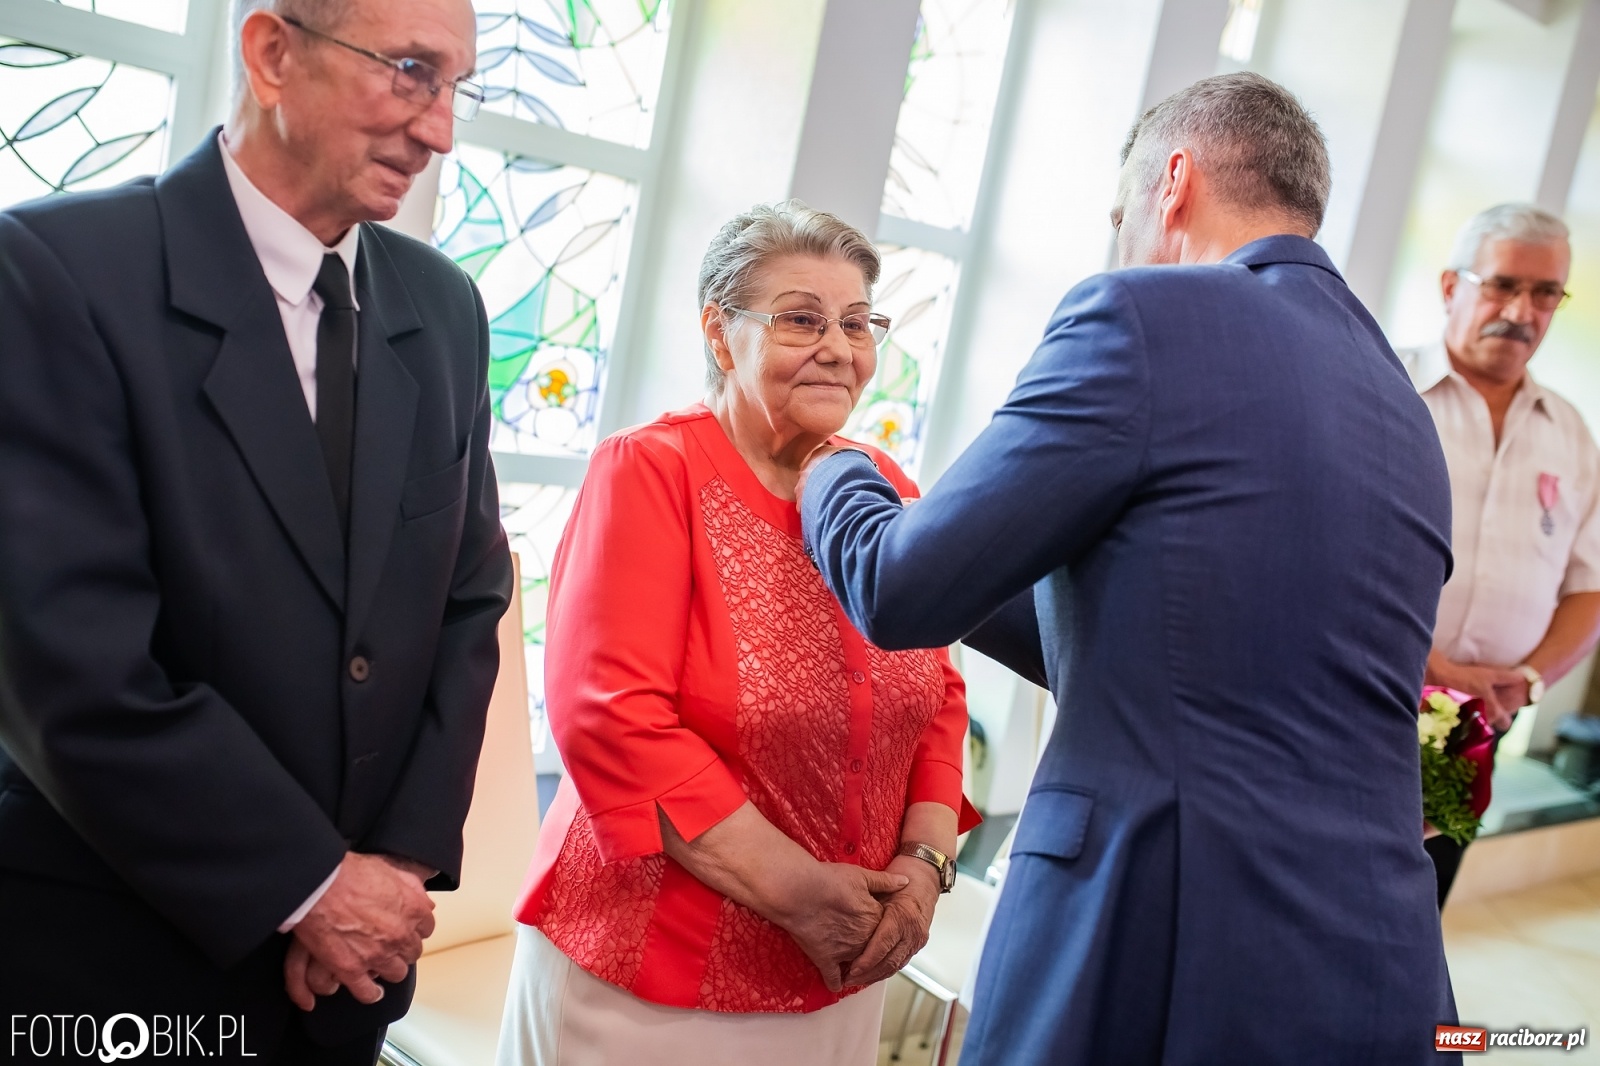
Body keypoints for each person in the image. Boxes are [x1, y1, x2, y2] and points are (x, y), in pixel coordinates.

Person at [798, 73, 1459, 1065]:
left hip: (1157, 937)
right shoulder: (1400, 408)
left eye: (1120, 218)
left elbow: (898, 589)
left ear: (1173, 182)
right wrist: (985, 548)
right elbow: (1173, 655)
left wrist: (836, 472)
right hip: (1378, 955)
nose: (1120, 246)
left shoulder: (1146, 316)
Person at [0, 0, 512, 1061]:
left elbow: (468, 602)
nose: (441, 131)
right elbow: (69, 664)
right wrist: (308, 884)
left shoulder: (447, 309)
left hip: (348, 975)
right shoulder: (52, 272)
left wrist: (396, 871)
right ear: (274, 52)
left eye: (458, 86)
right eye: (411, 72)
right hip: (114, 959)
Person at [495, 202, 979, 1066]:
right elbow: (614, 721)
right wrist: (805, 898)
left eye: (858, 323)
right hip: (648, 980)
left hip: (843, 974)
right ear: (722, 334)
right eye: (802, 318)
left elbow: (937, 692)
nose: (839, 347)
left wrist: (925, 868)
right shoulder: (650, 471)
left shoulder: (881, 482)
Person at [1396, 204, 1600, 906]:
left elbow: (1589, 586)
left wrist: (1528, 681)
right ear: (1451, 287)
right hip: (1368, 695)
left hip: (1481, 726)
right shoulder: (1384, 389)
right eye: (1503, 285)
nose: (1523, 310)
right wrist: (1425, 664)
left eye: (1546, 293)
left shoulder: (1569, 432)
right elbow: (1317, 551)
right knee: (1316, 899)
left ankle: (1396, 1021)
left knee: (1421, 908)